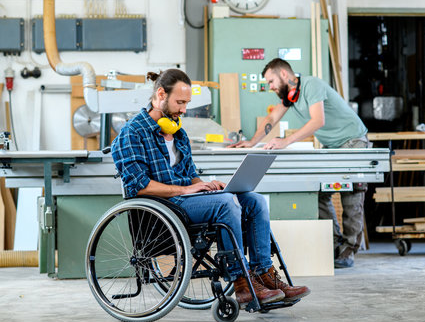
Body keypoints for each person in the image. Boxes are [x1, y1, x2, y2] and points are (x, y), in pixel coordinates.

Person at [111, 68, 309, 307]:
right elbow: (138, 186)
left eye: (187, 103)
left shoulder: (178, 133)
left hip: (186, 201)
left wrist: (205, 185)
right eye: (180, 102)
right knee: (225, 204)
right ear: (161, 94)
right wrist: (184, 190)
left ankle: (264, 274)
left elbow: (189, 174)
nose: (184, 110)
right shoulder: (131, 133)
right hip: (163, 207)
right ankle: (241, 282)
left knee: (253, 200)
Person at [228, 58, 369, 269]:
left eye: (271, 81)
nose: (271, 87)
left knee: (351, 196)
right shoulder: (290, 96)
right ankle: (334, 244)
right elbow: (272, 117)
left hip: (353, 142)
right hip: (333, 147)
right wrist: (251, 142)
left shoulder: (312, 85)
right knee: (320, 195)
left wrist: (285, 141)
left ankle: (348, 252)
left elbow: (317, 120)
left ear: (284, 74)